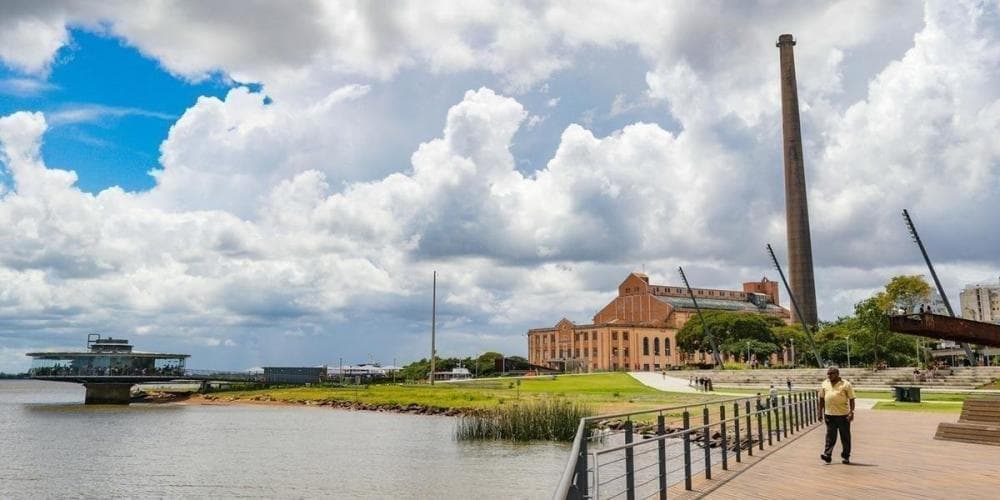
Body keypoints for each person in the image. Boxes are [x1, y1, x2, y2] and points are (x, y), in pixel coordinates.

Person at [818, 366, 856, 464]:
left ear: (837, 374)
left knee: (845, 437)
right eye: (828, 374)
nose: (829, 375)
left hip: (843, 415)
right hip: (829, 414)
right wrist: (819, 412)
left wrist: (851, 412)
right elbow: (821, 399)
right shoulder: (824, 384)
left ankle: (846, 456)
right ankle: (827, 455)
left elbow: (852, 398)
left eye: (831, 373)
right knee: (830, 436)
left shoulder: (846, 384)